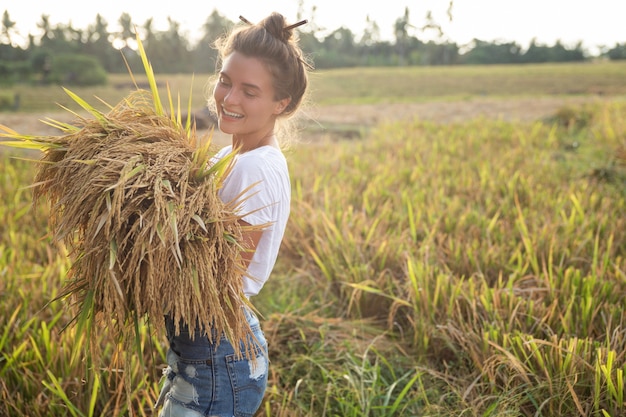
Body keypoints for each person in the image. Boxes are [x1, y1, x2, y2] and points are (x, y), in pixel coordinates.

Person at [155, 12, 311, 417]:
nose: (229, 98)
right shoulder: (232, 157)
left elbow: (217, 282)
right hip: (208, 352)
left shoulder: (252, 167)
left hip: (217, 359)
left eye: (250, 91)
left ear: (283, 102)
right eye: (225, 81)